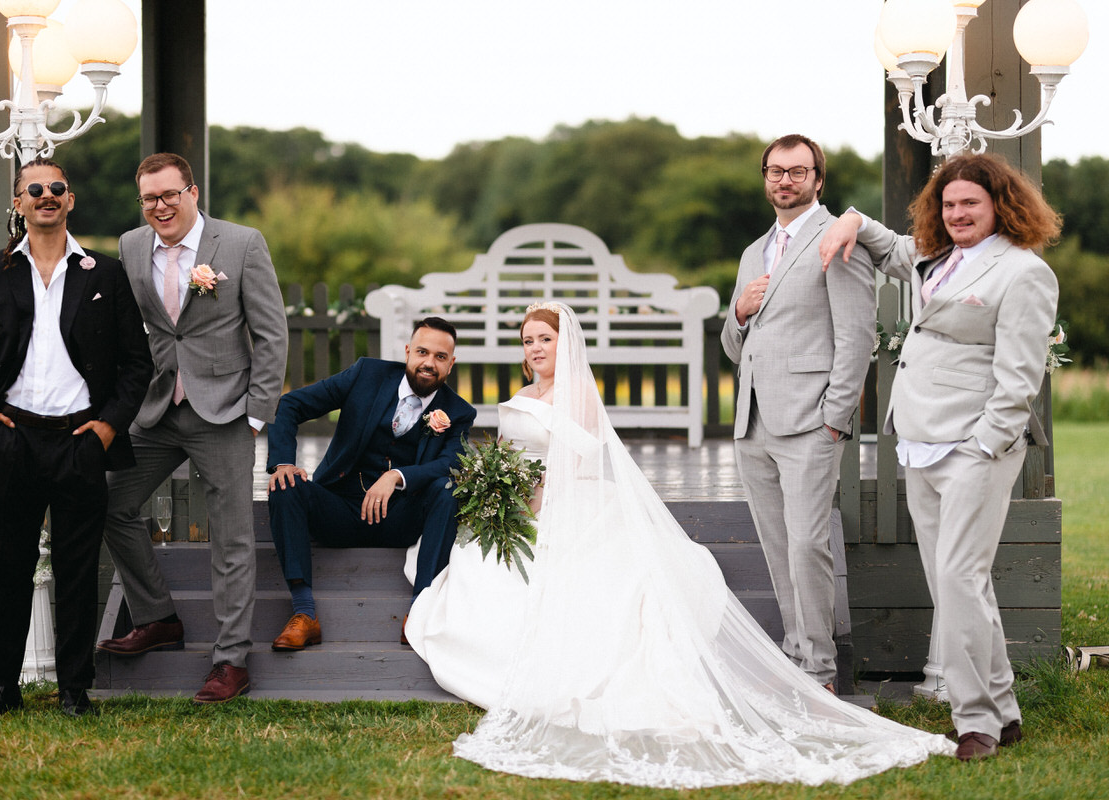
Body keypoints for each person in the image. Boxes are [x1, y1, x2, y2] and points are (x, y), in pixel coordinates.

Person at [405, 302, 954, 788]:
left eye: (544, 338)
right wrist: (502, 487)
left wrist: (540, 497)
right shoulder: (523, 394)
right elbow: (507, 451)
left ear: (563, 343)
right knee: (477, 561)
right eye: (528, 341)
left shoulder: (578, 395)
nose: (535, 348)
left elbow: (579, 457)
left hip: (565, 500)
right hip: (520, 503)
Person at [818, 153, 1061, 762]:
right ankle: (1004, 711)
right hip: (920, 439)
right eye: (948, 204)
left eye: (969, 204)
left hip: (975, 448)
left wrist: (986, 443)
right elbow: (893, 244)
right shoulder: (938, 257)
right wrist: (850, 218)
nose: (957, 214)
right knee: (958, 583)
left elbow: (1020, 374)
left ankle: (974, 718)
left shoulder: (1023, 273)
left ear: (999, 206)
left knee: (957, 579)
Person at [0, 158, 152, 718]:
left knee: (79, 571)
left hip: (81, 440)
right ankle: (1, 688)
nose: (46, 195)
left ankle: (74, 690)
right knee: (10, 568)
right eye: (34, 189)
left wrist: (107, 427)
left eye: (56, 188)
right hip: (14, 439)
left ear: (71, 200)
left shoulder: (102, 273)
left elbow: (136, 363)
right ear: (19, 203)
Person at [96, 153, 289, 704]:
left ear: (192, 192)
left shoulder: (242, 243)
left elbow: (272, 334)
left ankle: (230, 662)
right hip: (155, 411)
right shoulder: (132, 247)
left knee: (231, 538)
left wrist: (256, 413)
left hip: (226, 411)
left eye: (169, 195)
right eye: (149, 198)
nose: (160, 207)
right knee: (109, 501)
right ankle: (158, 616)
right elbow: (134, 330)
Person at [720, 134, 875, 692]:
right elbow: (736, 347)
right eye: (775, 171)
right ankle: (795, 651)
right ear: (765, 178)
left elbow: (856, 337)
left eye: (797, 171)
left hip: (812, 421)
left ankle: (820, 667)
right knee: (777, 541)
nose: (785, 180)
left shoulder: (836, 240)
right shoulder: (752, 253)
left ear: (818, 180)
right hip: (753, 422)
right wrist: (738, 311)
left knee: (808, 541)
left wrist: (835, 417)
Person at [265, 317, 476, 650]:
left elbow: (449, 462)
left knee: (447, 488)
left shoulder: (458, 412)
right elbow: (290, 404)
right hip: (340, 509)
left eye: (439, 357)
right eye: (422, 352)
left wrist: (397, 476)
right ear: (408, 351)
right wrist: (284, 463)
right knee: (285, 484)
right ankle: (304, 613)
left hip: (400, 520)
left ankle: (419, 610)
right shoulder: (367, 374)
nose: (428, 363)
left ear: (451, 364)